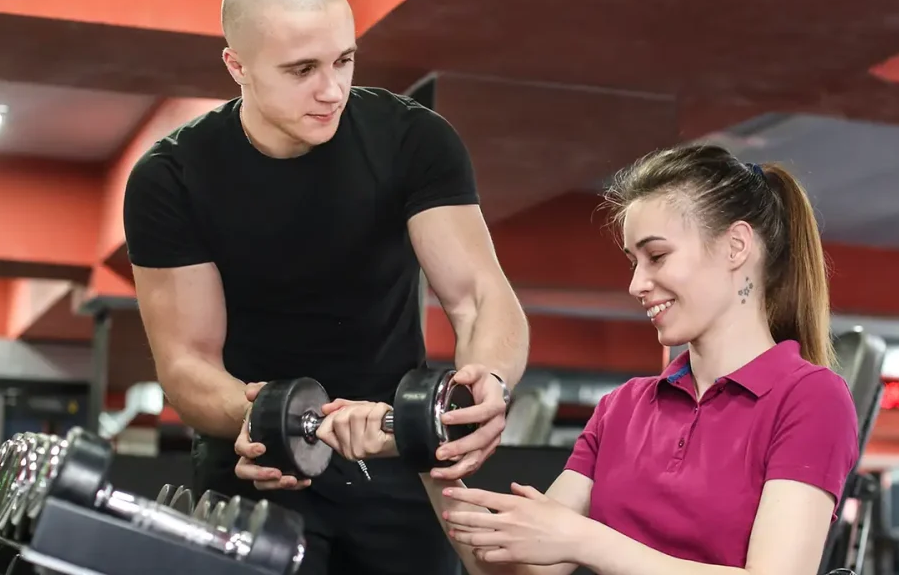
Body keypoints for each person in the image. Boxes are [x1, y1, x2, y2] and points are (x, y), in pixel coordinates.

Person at [120, 0, 529, 574]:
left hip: (390, 445)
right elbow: (186, 362)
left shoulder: (411, 140)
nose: (331, 89)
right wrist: (272, 418)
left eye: (344, 60)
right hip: (258, 458)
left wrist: (488, 385)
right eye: (302, 69)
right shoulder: (172, 178)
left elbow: (478, 296)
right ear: (237, 66)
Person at [313, 144, 862, 574]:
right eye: (632, 260)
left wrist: (586, 540)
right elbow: (519, 571)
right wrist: (425, 448)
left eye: (657, 256)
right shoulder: (623, 408)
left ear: (736, 247)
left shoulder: (810, 397)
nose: (636, 283)